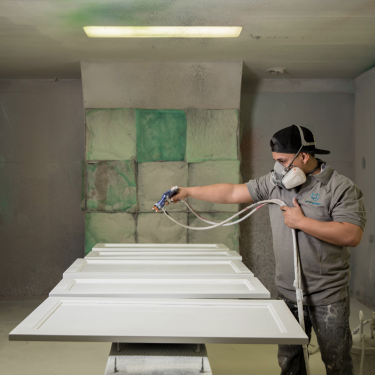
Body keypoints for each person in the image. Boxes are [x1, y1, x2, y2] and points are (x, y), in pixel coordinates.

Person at [169, 124, 366, 375]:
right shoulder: (276, 183)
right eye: (275, 161)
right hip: (288, 292)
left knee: (336, 363)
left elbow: (351, 234)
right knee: (290, 363)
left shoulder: (341, 188)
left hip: (328, 296)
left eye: (283, 161)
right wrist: (188, 191)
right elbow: (232, 191)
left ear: (303, 156)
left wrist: (302, 222)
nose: (278, 168)